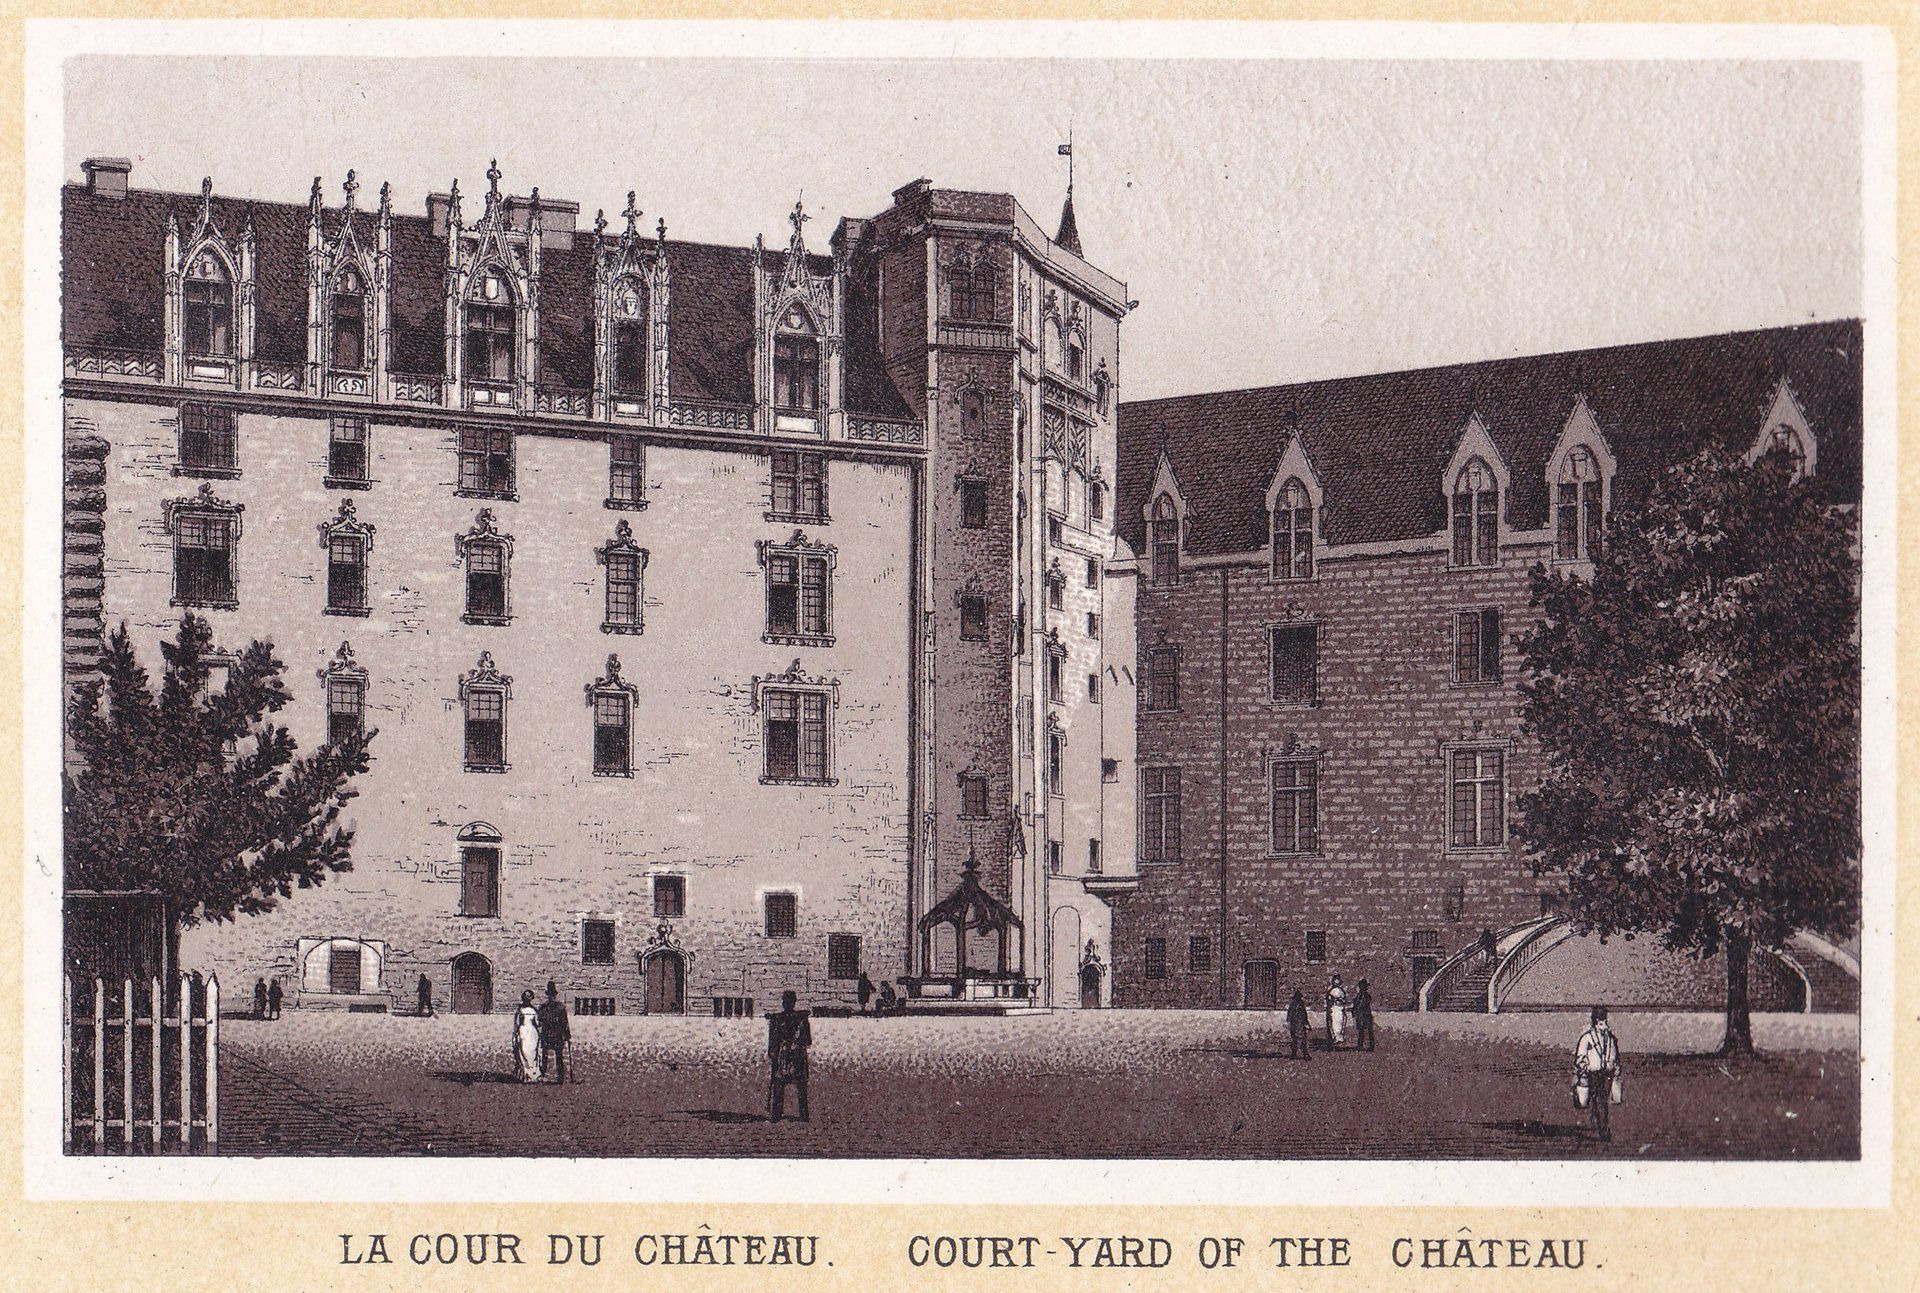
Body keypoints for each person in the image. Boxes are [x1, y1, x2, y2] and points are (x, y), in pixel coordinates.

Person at [1574, 1006, 1622, 1142]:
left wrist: (1616, 1068)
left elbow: (1615, 1055)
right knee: (1600, 1101)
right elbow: (1580, 1057)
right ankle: (1603, 1130)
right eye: (1602, 1023)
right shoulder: (1587, 1038)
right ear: (1595, 1023)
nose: (1605, 1026)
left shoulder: (1611, 1038)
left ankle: (1599, 1122)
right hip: (1593, 1074)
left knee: (1602, 1100)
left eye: (1605, 1022)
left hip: (1607, 1073)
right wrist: (1585, 1068)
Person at [767, 990, 812, 1122]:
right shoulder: (801, 1020)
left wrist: (773, 1054)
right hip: (796, 1057)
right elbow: (807, 1040)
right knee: (800, 1087)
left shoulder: (777, 1020)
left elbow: (772, 1043)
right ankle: (803, 1115)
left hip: (784, 1057)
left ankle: (776, 1115)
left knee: (780, 1086)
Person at [536, 980, 572, 1084]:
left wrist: (567, 1035)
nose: (551, 997)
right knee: (546, 1056)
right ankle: (545, 1075)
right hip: (550, 1033)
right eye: (550, 995)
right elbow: (540, 1019)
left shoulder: (558, 1007)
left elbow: (565, 1022)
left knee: (557, 1056)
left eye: (552, 995)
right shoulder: (545, 1007)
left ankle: (559, 1076)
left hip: (555, 1033)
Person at [513, 990, 541, 1083]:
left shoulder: (523, 1010)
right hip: (527, 1032)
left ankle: (531, 1075)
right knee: (527, 1052)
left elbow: (517, 1024)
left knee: (529, 1053)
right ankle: (529, 1074)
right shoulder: (530, 1010)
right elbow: (537, 1023)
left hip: (528, 1032)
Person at [1285, 988, 1312, 1061]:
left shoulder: (1296, 1004)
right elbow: (1303, 1015)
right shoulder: (1297, 1004)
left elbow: (1303, 1015)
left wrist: (1306, 1023)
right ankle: (1302, 1054)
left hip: (1298, 1023)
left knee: (1297, 1039)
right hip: (1297, 1023)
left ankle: (1298, 1054)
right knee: (1299, 1039)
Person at [1352, 978, 1376, 1052]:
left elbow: (1361, 1004)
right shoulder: (1360, 995)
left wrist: (1356, 1009)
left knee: (1368, 1031)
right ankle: (1361, 1045)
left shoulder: (1365, 996)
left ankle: (1370, 1045)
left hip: (1365, 1014)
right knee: (1362, 1031)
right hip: (1362, 1015)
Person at [1324, 974, 1348, 1049]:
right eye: (1335, 981)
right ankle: (1334, 1037)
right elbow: (1328, 1000)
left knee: (1340, 1022)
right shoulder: (1331, 991)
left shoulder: (1341, 991)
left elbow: (1344, 999)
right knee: (1334, 1023)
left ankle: (1339, 1037)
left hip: (1339, 1008)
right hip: (1333, 1009)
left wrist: (1341, 1001)